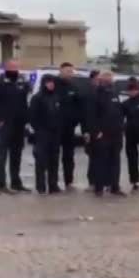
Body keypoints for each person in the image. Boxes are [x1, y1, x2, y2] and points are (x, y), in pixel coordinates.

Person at [0, 60, 30, 194]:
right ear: (6, 68)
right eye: (13, 67)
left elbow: (24, 103)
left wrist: (26, 120)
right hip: (4, 125)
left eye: (17, 67)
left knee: (16, 155)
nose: (15, 70)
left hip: (19, 125)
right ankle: (1, 185)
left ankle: (16, 183)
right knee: (1, 157)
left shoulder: (20, 83)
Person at [84, 71, 126, 196]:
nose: (110, 81)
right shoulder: (95, 95)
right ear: (101, 81)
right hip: (102, 134)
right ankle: (99, 188)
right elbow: (91, 115)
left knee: (115, 161)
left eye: (111, 79)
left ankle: (114, 186)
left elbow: (119, 112)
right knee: (100, 161)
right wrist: (96, 132)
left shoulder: (114, 94)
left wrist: (121, 128)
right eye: (108, 79)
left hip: (116, 134)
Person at [28, 74, 62, 194]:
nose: (51, 84)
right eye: (48, 82)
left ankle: (53, 185)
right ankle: (41, 186)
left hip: (55, 133)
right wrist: (39, 129)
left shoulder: (56, 97)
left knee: (54, 160)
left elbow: (59, 115)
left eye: (52, 82)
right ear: (44, 83)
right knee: (41, 161)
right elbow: (32, 116)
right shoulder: (37, 98)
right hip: (43, 133)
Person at [56, 62, 83, 190]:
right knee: (53, 155)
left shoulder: (74, 87)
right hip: (54, 127)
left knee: (69, 155)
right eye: (67, 71)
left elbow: (79, 106)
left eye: (71, 71)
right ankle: (53, 181)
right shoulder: (54, 85)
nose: (69, 74)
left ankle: (69, 181)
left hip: (69, 127)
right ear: (60, 71)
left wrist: (76, 120)